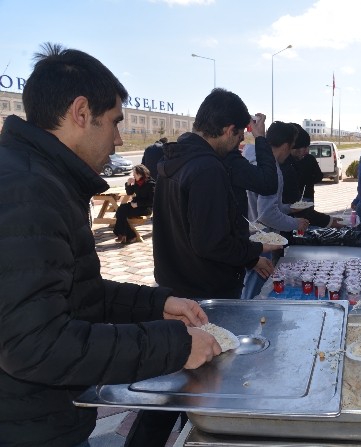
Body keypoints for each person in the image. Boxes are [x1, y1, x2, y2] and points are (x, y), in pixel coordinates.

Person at [0, 42, 221, 447]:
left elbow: (76, 294)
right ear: (82, 114)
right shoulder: (28, 189)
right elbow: (35, 344)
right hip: (27, 428)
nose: (120, 139)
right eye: (115, 121)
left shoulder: (44, 178)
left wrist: (157, 304)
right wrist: (172, 347)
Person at [152, 88, 280, 300]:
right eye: (239, 137)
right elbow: (212, 243)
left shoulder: (175, 156)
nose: (238, 144)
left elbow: (197, 230)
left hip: (176, 284)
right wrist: (254, 250)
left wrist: (250, 258)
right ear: (229, 130)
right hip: (206, 291)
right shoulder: (208, 168)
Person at [242, 121, 310, 299]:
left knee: (249, 283)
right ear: (287, 145)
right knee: (255, 289)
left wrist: (288, 209)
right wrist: (296, 223)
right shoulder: (270, 169)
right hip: (262, 239)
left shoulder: (249, 159)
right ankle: (250, 320)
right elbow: (267, 214)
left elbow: (267, 205)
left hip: (247, 233)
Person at [281, 123, 341, 228]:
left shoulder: (292, 163)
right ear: (288, 146)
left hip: (293, 214)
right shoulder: (284, 169)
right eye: (299, 148)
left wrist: (328, 220)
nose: (304, 152)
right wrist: (329, 221)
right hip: (278, 229)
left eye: (306, 147)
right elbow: (295, 210)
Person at [223, 112, 278, 220]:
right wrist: (260, 137)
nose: (242, 138)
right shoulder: (231, 162)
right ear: (230, 131)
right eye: (240, 133)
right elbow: (268, 184)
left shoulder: (186, 156)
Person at [113, 163, 155, 243]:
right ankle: (126, 235)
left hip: (145, 208)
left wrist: (138, 204)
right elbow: (129, 192)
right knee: (121, 209)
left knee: (122, 212)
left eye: (135, 173)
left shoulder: (150, 184)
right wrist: (128, 184)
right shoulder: (136, 182)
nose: (133, 175)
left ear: (140, 174)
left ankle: (124, 234)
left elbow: (152, 201)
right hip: (135, 205)